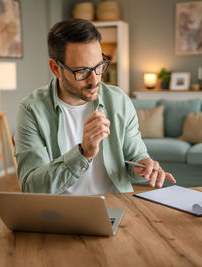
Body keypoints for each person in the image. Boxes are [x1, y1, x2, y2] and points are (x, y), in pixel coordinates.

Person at [15, 18, 176, 194]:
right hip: (62, 213)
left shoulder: (119, 101)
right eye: (82, 71)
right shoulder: (32, 110)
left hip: (118, 206)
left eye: (99, 66)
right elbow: (32, 187)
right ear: (55, 68)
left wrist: (143, 166)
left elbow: (135, 157)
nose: (95, 80)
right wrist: (83, 153)